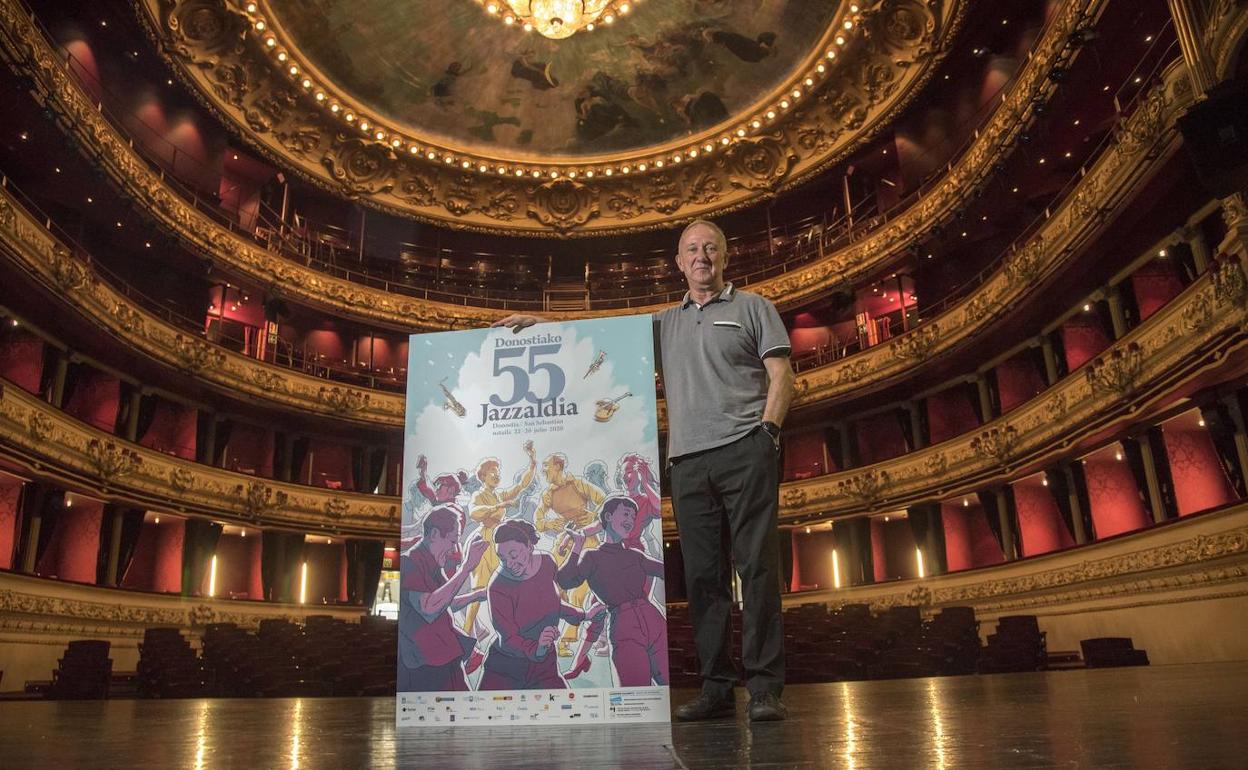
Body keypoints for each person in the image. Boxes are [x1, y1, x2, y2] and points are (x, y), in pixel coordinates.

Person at [494, 218, 795, 722]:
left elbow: (782, 375)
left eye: (711, 249)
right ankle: (717, 688)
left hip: (747, 449)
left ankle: (764, 690)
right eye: (692, 250)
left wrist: (767, 434)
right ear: (679, 263)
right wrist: (540, 323)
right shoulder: (664, 322)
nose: (702, 256)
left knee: (758, 570)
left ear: (725, 257)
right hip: (687, 462)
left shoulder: (754, 308)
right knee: (703, 578)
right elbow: (601, 334)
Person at [478, 520, 605, 690]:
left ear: (530, 546)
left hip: (545, 665)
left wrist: (584, 615)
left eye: (514, 555)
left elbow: (552, 603)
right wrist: (537, 648)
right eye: (502, 558)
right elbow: (508, 637)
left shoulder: (546, 562)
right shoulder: (497, 587)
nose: (508, 564)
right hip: (506, 669)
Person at [558, 496, 669, 686]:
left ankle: (579, 662)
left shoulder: (636, 555)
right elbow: (565, 581)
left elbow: (666, 570)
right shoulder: (592, 556)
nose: (630, 521)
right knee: (634, 692)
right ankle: (580, 661)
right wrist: (576, 546)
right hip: (624, 625)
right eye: (626, 514)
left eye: (633, 517)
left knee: (665, 684)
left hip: (655, 620)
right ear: (608, 516)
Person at [398, 506, 489, 692]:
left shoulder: (433, 565)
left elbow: (446, 603)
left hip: (445, 656)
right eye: (453, 541)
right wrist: (466, 568)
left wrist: (478, 595)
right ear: (434, 534)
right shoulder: (409, 562)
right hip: (425, 662)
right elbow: (429, 607)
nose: (454, 549)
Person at [462, 440, 538, 659]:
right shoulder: (480, 495)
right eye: (492, 472)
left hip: (501, 545)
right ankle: (466, 639)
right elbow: (475, 512)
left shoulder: (500, 494)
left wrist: (532, 461)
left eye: (497, 471)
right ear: (483, 476)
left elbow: (521, 485)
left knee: (512, 588)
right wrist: (498, 507)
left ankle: (517, 637)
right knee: (478, 593)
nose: (496, 475)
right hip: (486, 545)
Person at [532, 452, 606, 657]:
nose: (544, 470)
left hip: (587, 542)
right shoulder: (548, 494)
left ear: (558, 466)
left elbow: (603, 502)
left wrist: (589, 521)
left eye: (547, 466)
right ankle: (552, 636)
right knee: (555, 586)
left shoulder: (578, 484)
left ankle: (567, 639)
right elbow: (538, 520)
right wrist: (549, 523)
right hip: (564, 542)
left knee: (579, 591)